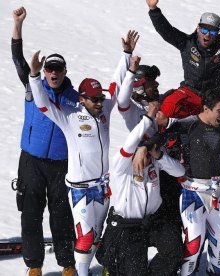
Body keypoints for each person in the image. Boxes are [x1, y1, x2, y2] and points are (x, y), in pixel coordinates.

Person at [28, 35, 132, 274]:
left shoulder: (104, 108)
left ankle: (93, 268)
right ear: (82, 98)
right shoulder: (69, 115)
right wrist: (35, 76)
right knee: (84, 238)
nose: (99, 103)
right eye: (94, 99)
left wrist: (126, 55)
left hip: (103, 187)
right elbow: (42, 104)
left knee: (95, 235)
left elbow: (115, 86)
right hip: (80, 189)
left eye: (100, 98)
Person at [136, 87, 220, 275]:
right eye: (219, 111)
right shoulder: (189, 124)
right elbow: (160, 136)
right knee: (193, 244)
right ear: (206, 108)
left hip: (217, 192)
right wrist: (144, 148)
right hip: (193, 194)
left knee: (217, 243)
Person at [11, 7, 77, 276]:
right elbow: (17, 58)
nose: (53, 73)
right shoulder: (32, 85)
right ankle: (34, 265)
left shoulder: (74, 97)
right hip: (31, 161)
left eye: (57, 69)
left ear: (64, 71)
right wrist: (17, 25)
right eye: (49, 68)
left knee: (62, 216)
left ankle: (67, 264)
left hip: (61, 164)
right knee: (31, 213)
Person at [96, 101, 185, 275]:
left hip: (154, 219)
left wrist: (157, 155)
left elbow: (179, 171)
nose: (145, 162)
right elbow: (130, 144)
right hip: (128, 225)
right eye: (141, 153)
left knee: (174, 251)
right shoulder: (120, 164)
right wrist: (148, 118)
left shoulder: (155, 160)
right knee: (133, 271)